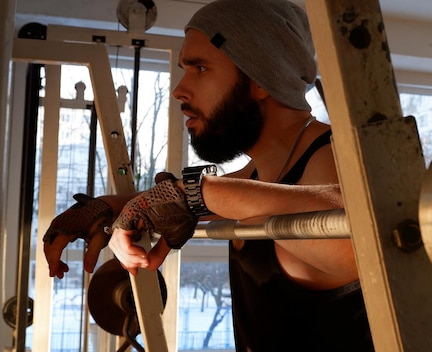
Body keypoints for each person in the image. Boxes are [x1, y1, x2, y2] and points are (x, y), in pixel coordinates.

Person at [43, 0, 375, 350]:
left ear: (261, 78)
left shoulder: (332, 156)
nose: (179, 90)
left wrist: (193, 193)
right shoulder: (260, 174)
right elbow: (226, 197)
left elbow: (370, 236)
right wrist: (106, 208)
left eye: (200, 68)